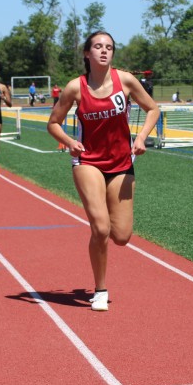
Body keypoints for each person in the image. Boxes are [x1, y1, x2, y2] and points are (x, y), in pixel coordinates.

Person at [46, 31, 161, 312]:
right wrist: (70, 142)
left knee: (121, 236)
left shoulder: (126, 80)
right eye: (98, 46)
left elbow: (153, 109)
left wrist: (141, 137)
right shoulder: (76, 87)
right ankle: (100, 290)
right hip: (88, 161)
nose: (104, 51)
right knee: (100, 228)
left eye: (109, 47)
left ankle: (106, 222)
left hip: (121, 163)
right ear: (87, 53)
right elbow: (53, 123)